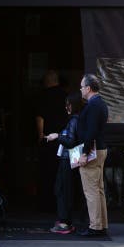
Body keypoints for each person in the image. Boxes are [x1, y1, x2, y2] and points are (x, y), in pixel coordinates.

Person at [45, 91, 84, 235]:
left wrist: (57, 136)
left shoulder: (74, 120)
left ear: (72, 105)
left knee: (62, 189)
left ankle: (65, 222)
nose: (66, 107)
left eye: (68, 104)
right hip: (70, 158)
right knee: (64, 188)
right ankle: (65, 220)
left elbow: (71, 141)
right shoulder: (77, 119)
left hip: (68, 159)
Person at [77, 73, 109, 237]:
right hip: (100, 149)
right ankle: (101, 224)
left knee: (91, 190)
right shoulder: (100, 103)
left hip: (93, 150)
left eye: (82, 86)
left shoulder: (93, 105)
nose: (81, 89)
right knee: (98, 189)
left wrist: (84, 153)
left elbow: (90, 132)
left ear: (88, 88)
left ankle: (95, 226)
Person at [36, 70, 67, 211]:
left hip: (49, 139)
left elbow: (40, 117)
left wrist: (40, 135)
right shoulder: (66, 95)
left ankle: (46, 204)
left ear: (48, 81)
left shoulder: (44, 96)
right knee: (61, 174)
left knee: (47, 173)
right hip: (65, 139)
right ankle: (61, 204)